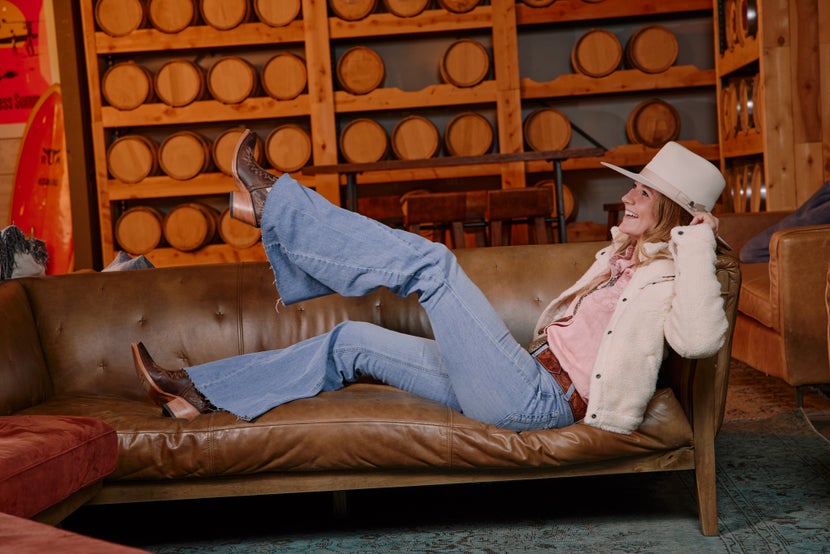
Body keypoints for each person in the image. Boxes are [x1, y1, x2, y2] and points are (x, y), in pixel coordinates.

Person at [132, 133, 728, 435]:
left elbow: (700, 338)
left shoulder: (674, 276)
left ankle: (276, 206)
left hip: (540, 401)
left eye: (642, 192)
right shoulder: (623, 259)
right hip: (519, 374)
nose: (625, 196)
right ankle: (195, 392)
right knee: (350, 341)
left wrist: (698, 241)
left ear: (673, 213)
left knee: (435, 266)